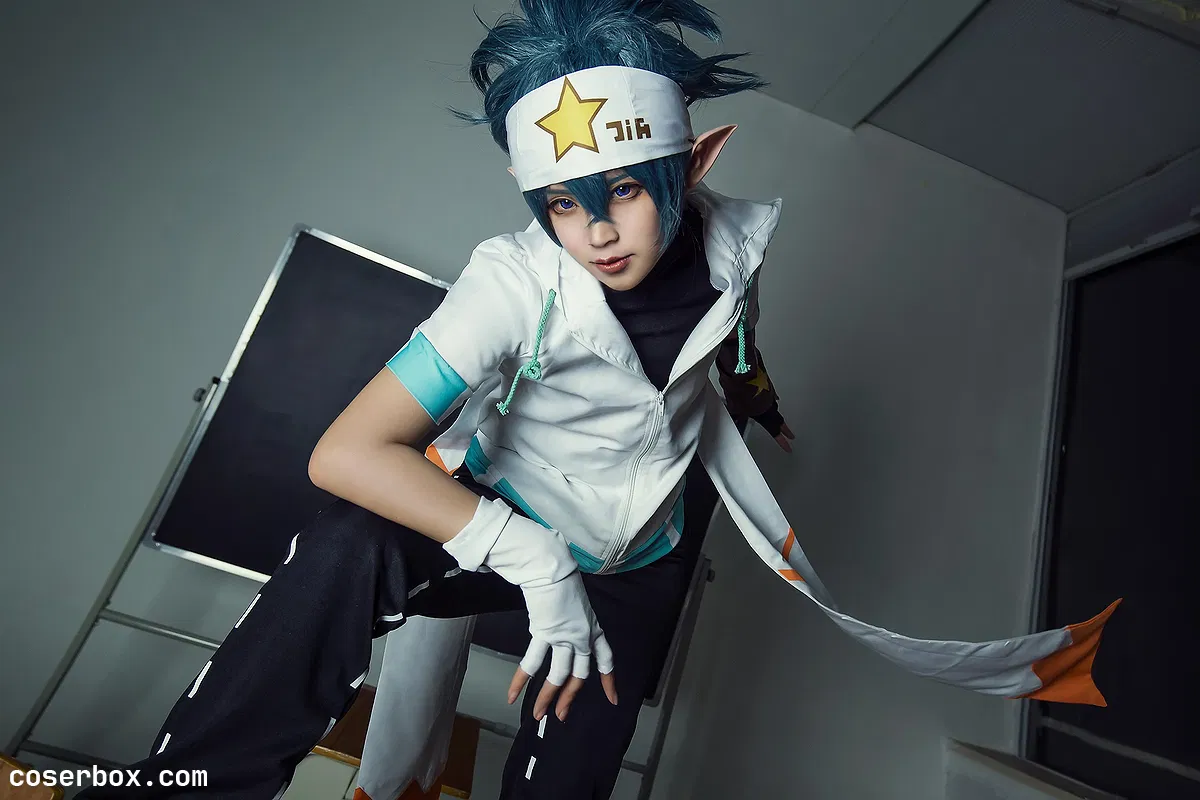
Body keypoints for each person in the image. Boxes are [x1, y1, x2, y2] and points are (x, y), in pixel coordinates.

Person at [78, 1, 1119, 798]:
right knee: (346, 543)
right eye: (565, 205)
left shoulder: (735, 244)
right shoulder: (508, 283)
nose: (600, 232)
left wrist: (760, 397)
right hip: (516, 512)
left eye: (624, 189)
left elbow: (728, 344)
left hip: (642, 558)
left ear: (694, 162)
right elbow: (344, 452)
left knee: (568, 773)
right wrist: (534, 560)